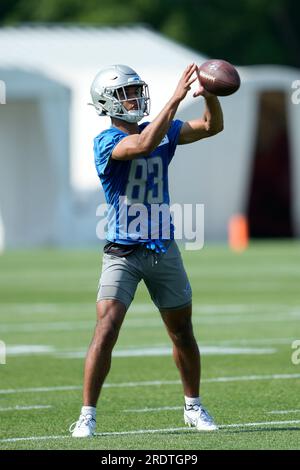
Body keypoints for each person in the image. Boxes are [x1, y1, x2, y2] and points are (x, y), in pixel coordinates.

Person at [70, 63, 223, 437]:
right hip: (123, 251)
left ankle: (193, 407)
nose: (136, 98)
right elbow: (142, 145)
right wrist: (175, 99)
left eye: (136, 91)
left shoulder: (163, 129)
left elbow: (210, 127)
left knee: (182, 332)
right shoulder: (105, 142)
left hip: (163, 248)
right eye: (126, 94)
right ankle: (87, 414)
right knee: (106, 329)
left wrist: (212, 95)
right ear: (108, 102)